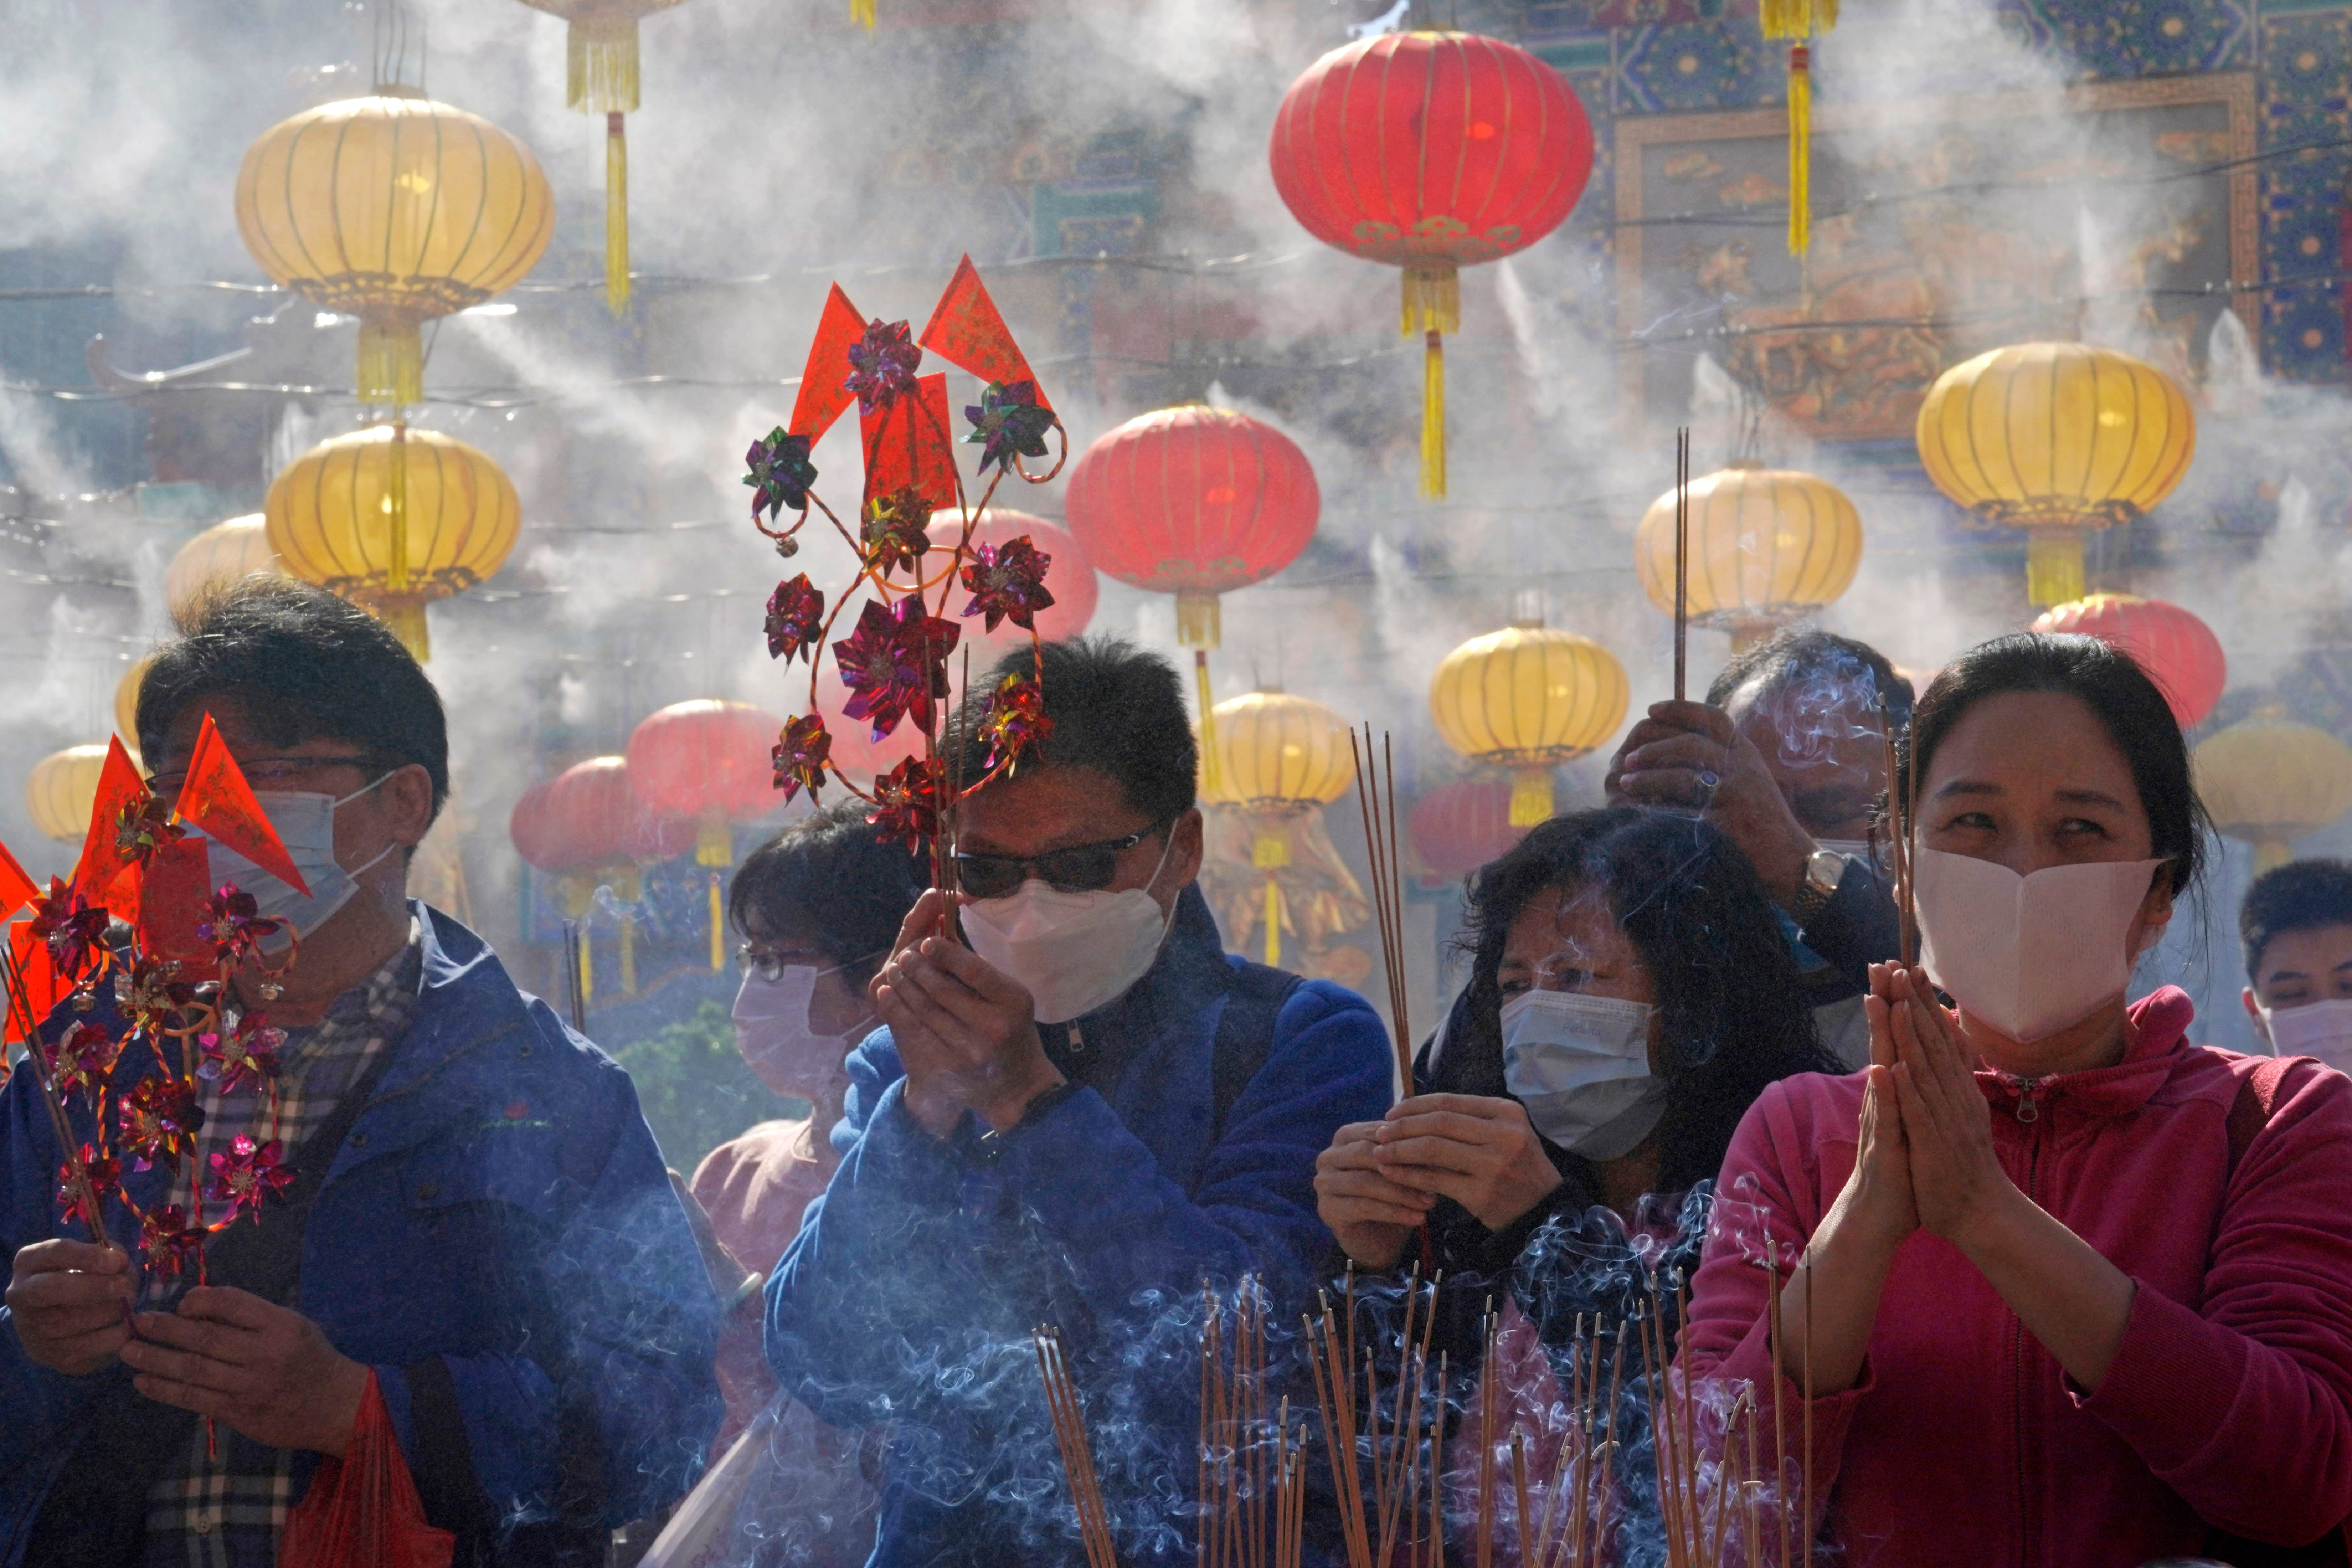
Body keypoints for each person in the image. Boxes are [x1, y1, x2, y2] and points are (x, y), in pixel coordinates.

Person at [0, 579, 721, 1565]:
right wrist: (34, 1347)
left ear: (402, 802)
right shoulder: (84, 1070)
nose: (208, 822)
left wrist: (364, 1407)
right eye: (179, 791)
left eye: (261, 775)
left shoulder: (548, 1092)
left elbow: (662, 1423)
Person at [1681, 633, 2352, 1565]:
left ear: (2157, 892)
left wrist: (1989, 1216)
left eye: (2079, 829)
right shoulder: (1801, 1130)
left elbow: (2298, 1477)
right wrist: (1868, 1217)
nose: (2024, 870)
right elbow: (1713, 1499)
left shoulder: (2282, 1118)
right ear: (1906, 871)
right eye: (1972, 825)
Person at [763, 636, 1393, 1566]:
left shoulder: (1297, 1039)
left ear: (1181, 847)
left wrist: (1033, 1100)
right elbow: (826, 1361)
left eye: (1080, 864)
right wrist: (920, 1116)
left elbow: (1229, 1357)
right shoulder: (908, 1061)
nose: (1030, 903)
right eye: (988, 870)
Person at [1313, 807, 1840, 1562]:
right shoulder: (1472, 1213)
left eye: (1576, 976)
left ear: (1695, 997)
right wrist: (1373, 1266)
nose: (1536, 1013)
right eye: (1514, 983)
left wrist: (1541, 1226)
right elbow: (1377, 1455)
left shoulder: (1793, 1188)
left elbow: (1703, 1450)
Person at [677, 799, 923, 1564]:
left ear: (888, 966)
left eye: (775, 959)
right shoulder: (733, 1167)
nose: (754, 990)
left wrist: (731, 1293)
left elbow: (867, 1415)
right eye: (751, 957)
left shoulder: (933, 1178)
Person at [1606, 629, 1909, 1067]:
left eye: (1830, 806)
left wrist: (1797, 867)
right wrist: (1608, 870)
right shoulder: (1680, 963)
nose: (1768, 829)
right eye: (1741, 801)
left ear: (1911, 810)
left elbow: (1934, 976)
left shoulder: (1967, 952)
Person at [2240, 857, 2352, 1070]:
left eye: (2349, 985)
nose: (2328, 1023)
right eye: (2292, 994)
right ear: (2255, 1012)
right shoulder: (2225, 1104)